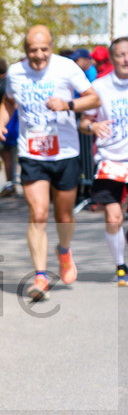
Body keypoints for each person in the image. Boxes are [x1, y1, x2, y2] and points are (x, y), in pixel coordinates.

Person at [0, 25, 100, 301]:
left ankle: (63, 251)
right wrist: (1, 125)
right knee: (38, 213)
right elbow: (8, 101)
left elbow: (94, 98)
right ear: (25, 50)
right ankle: (40, 277)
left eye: (44, 49)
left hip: (65, 152)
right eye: (32, 50)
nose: (38, 56)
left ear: (51, 47)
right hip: (32, 152)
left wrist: (68, 105)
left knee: (63, 216)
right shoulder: (15, 72)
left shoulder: (66, 68)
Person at [79, 37, 128, 285]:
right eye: (120, 54)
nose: (126, 59)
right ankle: (121, 265)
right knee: (113, 217)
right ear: (111, 58)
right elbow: (83, 123)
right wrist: (93, 125)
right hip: (110, 160)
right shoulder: (99, 87)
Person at [0, 58, 18, 197]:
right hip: (8, 123)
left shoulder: (1, 83)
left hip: (7, 124)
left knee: (7, 155)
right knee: (9, 155)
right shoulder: (7, 81)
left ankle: (10, 185)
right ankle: (11, 184)